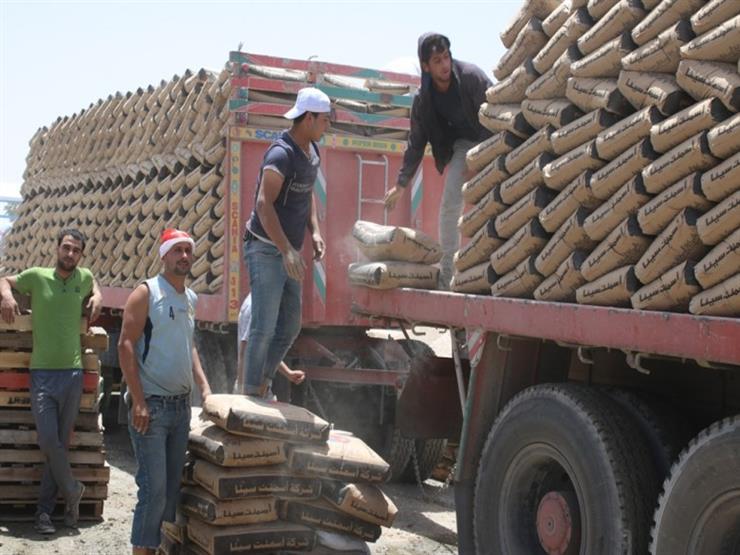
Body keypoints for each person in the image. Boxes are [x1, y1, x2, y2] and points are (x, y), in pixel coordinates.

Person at [0, 228, 102, 535]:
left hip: (72, 375)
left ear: (81, 255)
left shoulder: (83, 278)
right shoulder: (37, 276)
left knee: (59, 446)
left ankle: (44, 513)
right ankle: (72, 489)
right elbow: (4, 280)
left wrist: (98, 294)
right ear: (56, 248)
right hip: (42, 374)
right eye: (66, 248)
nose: (70, 254)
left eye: (76, 251)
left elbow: (93, 282)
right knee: (49, 442)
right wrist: (5, 295)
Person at [118, 228, 212, 555]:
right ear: (164, 255)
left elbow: (190, 346)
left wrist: (204, 387)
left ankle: (154, 547)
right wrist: (139, 401)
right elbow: (125, 345)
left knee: (171, 489)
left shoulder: (190, 298)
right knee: (153, 490)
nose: (184, 256)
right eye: (178, 251)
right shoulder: (146, 292)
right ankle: (142, 550)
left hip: (179, 409)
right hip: (152, 409)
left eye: (188, 250)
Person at [384, 33, 492, 287]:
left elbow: (497, 113)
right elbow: (416, 142)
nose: (444, 65)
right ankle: (447, 276)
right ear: (425, 66)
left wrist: (484, 157)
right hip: (464, 146)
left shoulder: (471, 77)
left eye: (446, 57)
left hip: (493, 139)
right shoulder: (424, 100)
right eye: (437, 60)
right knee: (449, 205)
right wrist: (401, 185)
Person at [242, 87, 329, 397]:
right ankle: (250, 393)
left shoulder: (312, 152)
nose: (326, 126)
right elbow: (263, 205)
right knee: (263, 326)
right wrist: (286, 250)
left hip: (288, 251)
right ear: (307, 118)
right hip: (266, 248)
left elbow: (307, 196)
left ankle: (263, 382)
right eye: (323, 120)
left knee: (290, 325)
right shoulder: (282, 153)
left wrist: (315, 231)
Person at [233, 293, 306, 396]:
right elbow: (245, 349)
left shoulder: (260, 301)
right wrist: (242, 390)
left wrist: (288, 373)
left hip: (259, 389)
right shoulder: (259, 308)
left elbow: (263, 351)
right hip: (253, 390)